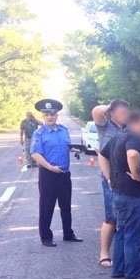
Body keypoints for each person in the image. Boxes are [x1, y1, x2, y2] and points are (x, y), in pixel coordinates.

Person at [100, 110, 140, 279]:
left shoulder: (118, 137)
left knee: (122, 231)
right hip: (133, 195)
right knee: (135, 234)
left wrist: (109, 178)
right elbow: (132, 154)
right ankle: (134, 272)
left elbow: (102, 154)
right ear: (136, 123)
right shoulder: (133, 137)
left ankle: (119, 269)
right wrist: (137, 175)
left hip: (118, 192)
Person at [30, 99, 83, 247]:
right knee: (47, 206)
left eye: (52, 114)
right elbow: (35, 154)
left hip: (64, 174)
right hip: (48, 175)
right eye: (46, 114)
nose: (49, 116)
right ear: (42, 116)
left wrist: (74, 149)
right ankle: (46, 237)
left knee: (66, 206)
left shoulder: (64, 130)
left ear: (57, 115)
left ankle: (68, 233)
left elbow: (66, 147)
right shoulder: (39, 133)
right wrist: (50, 167)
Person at [91, 100, 129, 267]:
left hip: (128, 179)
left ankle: (125, 254)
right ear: (112, 113)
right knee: (111, 217)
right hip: (110, 179)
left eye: (126, 111)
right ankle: (104, 254)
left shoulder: (129, 128)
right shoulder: (105, 126)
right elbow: (96, 111)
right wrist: (111, 106)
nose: (125, 114)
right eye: (121, 111)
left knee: (127, 218)